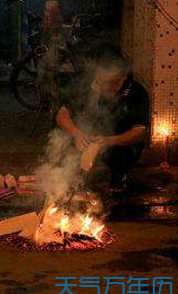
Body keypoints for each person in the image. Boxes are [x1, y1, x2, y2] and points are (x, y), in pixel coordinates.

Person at [55, 51, 149, 192]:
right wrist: (76, 133)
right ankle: (74, 179)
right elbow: (61, 114)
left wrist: (109, 141)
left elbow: (140, 132)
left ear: (122, 78)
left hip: (116, 142)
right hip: (86, 137)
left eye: (110, 82)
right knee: (63, 140)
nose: (102, 86)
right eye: (100, 80)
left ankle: (119, 176)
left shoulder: (136, 92)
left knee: (128, 150)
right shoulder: (84, 86)